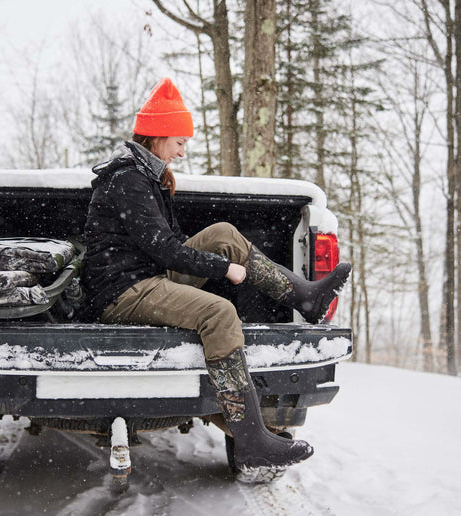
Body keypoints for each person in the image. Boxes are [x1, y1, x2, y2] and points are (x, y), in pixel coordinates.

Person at [82, 77, 351, 472]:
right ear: (158, 136)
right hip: (124, 291)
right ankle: (251, 439)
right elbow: (163, 249)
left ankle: (304, 298)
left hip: (148, 275)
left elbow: (168, 245)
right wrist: (225, 269)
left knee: (224, 233)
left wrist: (221, 257)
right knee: (220, 313)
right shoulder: (129, 179)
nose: (183, 150)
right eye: (179, 141)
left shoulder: (145, 174)